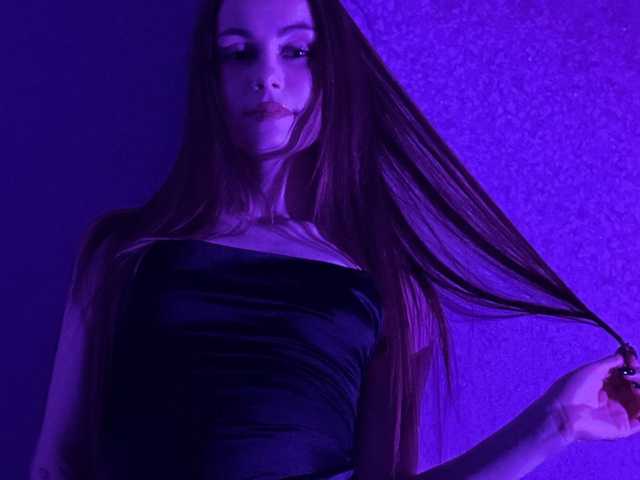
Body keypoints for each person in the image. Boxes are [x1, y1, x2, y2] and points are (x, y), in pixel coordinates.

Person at [30, 0, 640, 479]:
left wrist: (556, 424)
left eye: (296, 51)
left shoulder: (386, 288)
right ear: (208, 80)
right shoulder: (122, 249)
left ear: (334, 73)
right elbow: (56, 466)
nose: (267, 77)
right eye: (238, 53)